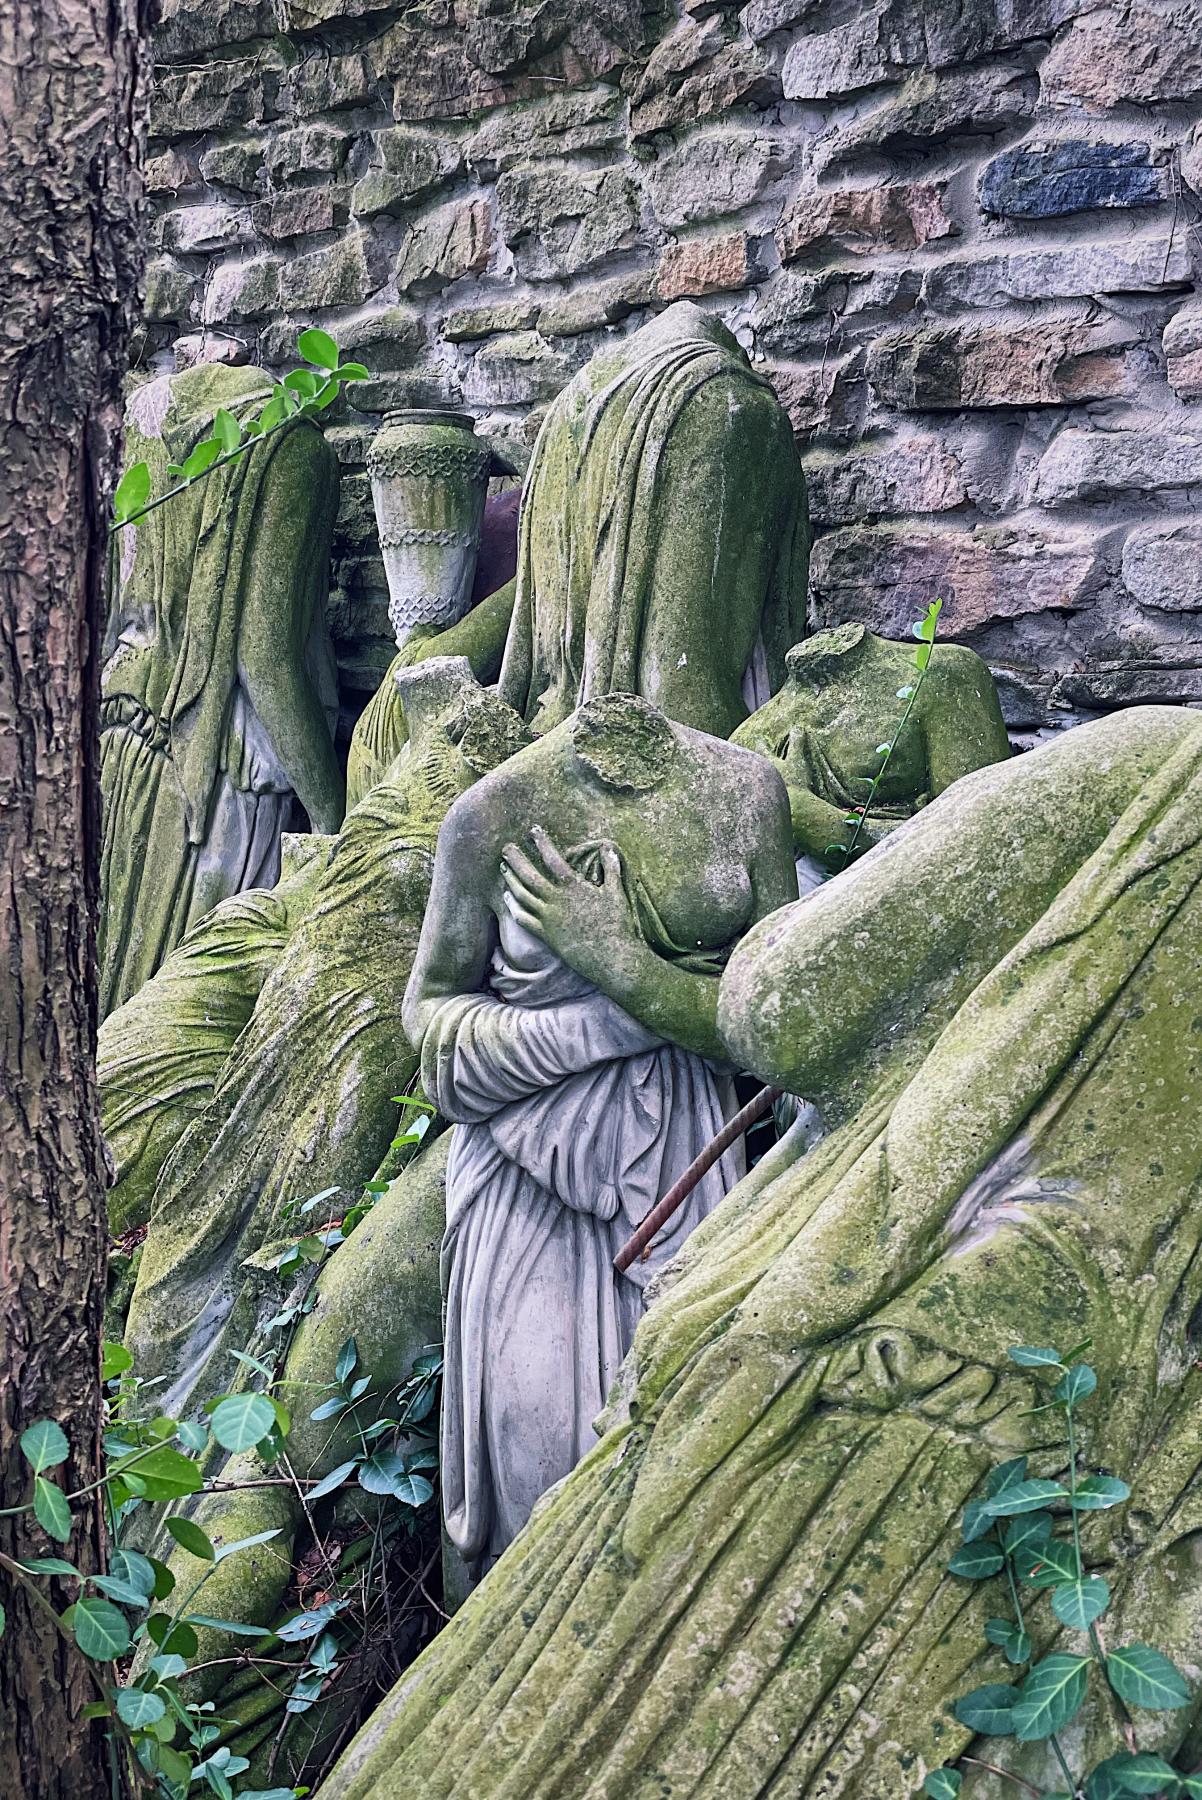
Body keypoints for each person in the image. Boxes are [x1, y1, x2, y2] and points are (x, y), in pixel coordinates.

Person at [402, 693, 798, 1573]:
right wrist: (607, 1025)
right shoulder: (493, 813)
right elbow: (429, 1021)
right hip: (522, 1174)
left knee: (684, 1459)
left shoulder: (745, 790)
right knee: (534, 1450)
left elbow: (782, 1023)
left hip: (685, 1164)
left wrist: (623, 966)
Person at [99, 364, 344, 1015]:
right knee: (189, 1014)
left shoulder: (141, 444)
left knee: (107, 994)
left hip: (121, 745)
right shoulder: (294, 451)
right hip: (219, 771)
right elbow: (265, 659)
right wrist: (333, 819)